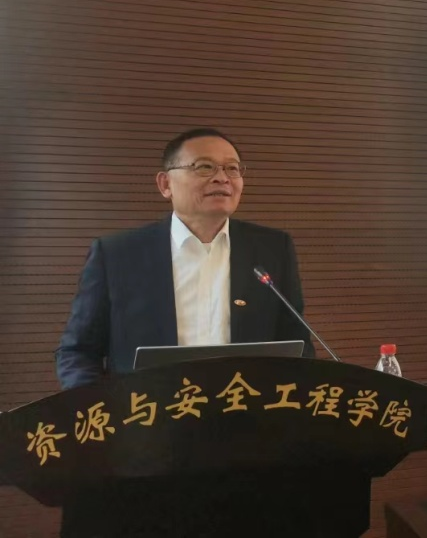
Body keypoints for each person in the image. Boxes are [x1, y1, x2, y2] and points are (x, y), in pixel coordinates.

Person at [56, 127, 314, 389]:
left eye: (232, 168)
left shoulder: (272, 249)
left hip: (246, 407)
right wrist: (100, 405)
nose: (222, 178)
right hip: (148, 411)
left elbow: (298, 346)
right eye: (204, 167)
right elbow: (78, 352)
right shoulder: (116, 255)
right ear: (165, 184)